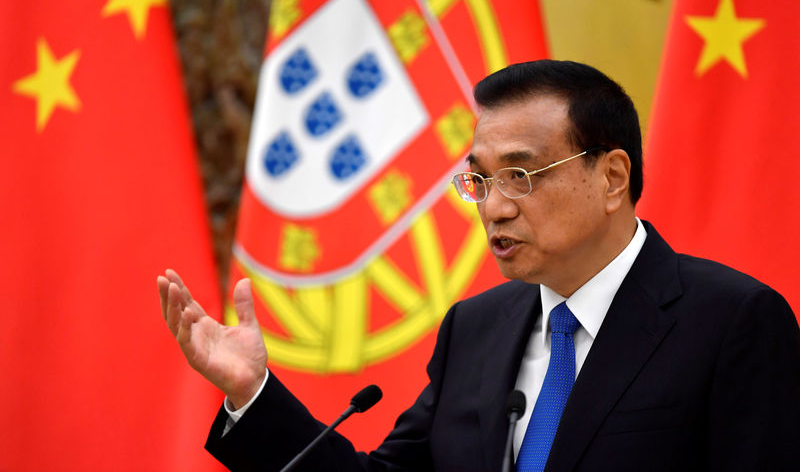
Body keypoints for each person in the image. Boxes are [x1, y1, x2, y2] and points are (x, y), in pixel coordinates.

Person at [158, 60, 800, 471]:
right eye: (478, 182)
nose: (493, 208)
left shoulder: (732, 323)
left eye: (519, 176)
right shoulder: (477, 328)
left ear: (610, 177)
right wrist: (252, 393)